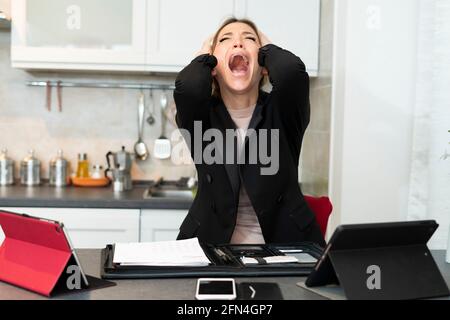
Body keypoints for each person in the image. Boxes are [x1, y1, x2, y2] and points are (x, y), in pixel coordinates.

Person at [174, 18, 325, 246]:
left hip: (285, 247)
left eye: (249, 38)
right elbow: (189, 87)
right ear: (213, 67)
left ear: (264, 65)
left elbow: (291, 74)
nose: (238, 44)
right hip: (213, 247)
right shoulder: (201, 116)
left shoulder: (283, 111)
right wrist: (204, 55)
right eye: (226, 40)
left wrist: (267, 46)